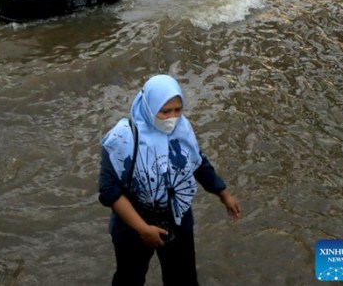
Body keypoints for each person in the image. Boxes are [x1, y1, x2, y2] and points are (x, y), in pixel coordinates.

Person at [98, 74, 242, 285]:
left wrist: (223, 194)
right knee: (130, 278)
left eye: (177, 110)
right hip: (132, 226)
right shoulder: (122, 139)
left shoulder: (182, 130)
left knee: (183, 278)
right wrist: (143, 229)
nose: (172, 118)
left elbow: (197, 162)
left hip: (177, 220)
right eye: (165, 112)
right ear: (149, 107)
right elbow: (110, 191)